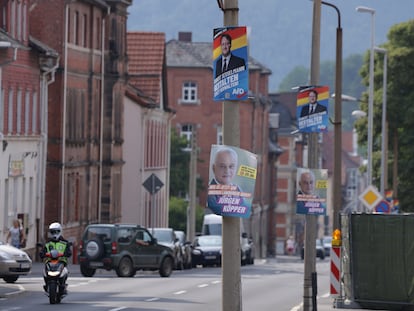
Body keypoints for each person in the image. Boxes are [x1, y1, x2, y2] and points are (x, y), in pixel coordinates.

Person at [207, 147, 247, 214]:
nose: (227, 171)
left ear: (236, 169)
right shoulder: (210, 192)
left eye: (231, 166)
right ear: (214, 168)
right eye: (222, 166)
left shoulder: (238, 190)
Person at [39, 222, 72, 294]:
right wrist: (43, 254)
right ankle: (47, 284)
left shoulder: (65, 243)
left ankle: (63, 285)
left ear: (60, 231)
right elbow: (42, 253)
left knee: (65, 271)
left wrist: (65, 254)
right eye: (52, 232)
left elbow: (69, 253)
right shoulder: (47, 244)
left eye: (56, 231)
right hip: (50, 262)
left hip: (61, 262)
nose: (54, 233)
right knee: (44, 272)